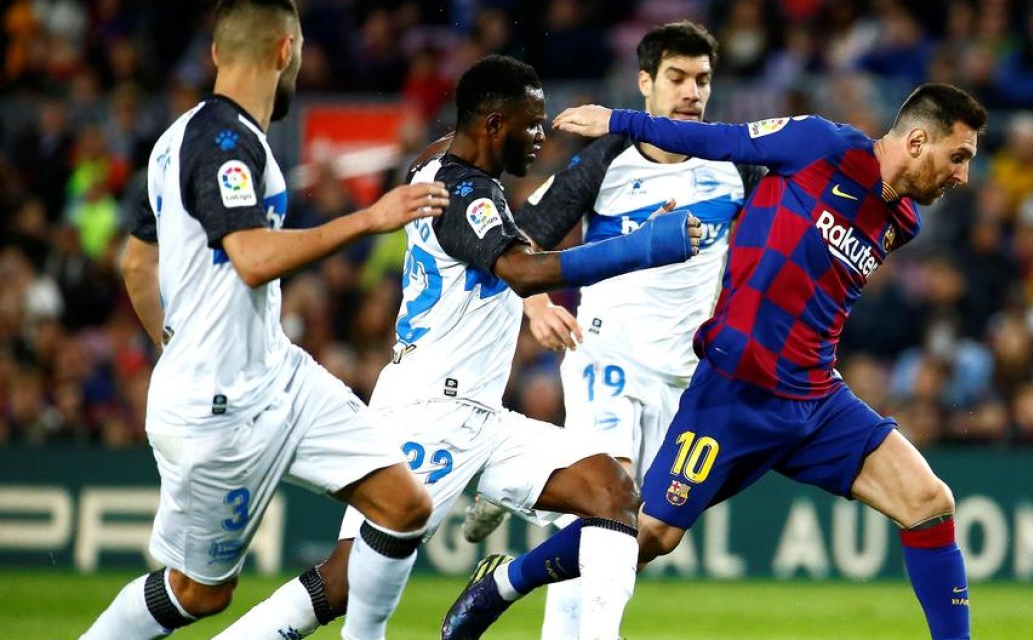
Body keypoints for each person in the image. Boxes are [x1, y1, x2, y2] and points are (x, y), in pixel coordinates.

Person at [454, 83, 987, 640]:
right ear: (919, 140)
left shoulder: (902, 222)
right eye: (959, 156)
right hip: (733, 392)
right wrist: (619, 120)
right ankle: (501, 584)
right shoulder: (818, 145)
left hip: (814, 400)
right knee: (650, 534)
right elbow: (716, 138)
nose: (962, 176)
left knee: (930, 501)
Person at [215, 54, 702, 640]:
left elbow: (479, 173)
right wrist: (644, 246)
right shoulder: (462, 194)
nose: (541, 137)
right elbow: (521, 271)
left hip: (480, 415)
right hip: (428, 416)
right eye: (532, 123)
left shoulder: (435, 167)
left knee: (611, 492)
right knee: (345, 583)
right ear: (494, 126)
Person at [80, 0, 449, 640]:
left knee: (404, 503)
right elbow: (250, 257)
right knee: (200, 592)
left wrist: (177, 341)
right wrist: (369, 216)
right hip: (218, 407)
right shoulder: (225, 143)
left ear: (219, 49)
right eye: (300, 52)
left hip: (277, 373)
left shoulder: (177, 140)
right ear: (287, 50)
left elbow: (136, 264)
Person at [458, 20, 764, 640]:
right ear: (645, 83)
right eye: (676, 78)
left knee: (627, 534)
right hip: (606, 352)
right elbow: (517, 245)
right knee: (610, 503)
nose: (691, 93)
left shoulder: (736, 166)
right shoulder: (604, 161)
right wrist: (535, 305)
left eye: (702, 80)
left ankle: (524, 494)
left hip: (685, 375)